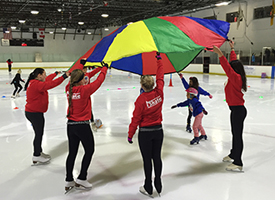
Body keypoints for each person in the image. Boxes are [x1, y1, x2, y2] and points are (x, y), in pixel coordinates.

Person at [64, 62, 107, 192]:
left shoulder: (68, 88)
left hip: (70, 126)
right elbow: (99, 81)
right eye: (84, 78)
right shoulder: (84, 89)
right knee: (89, 150)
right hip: (82, 126)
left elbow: (80, 78)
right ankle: (82, 177)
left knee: (72, 153)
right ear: (81, 80)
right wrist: (104, 68)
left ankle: (68, 179)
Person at [128, 52, 164, 198]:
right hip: (158, 131)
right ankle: (159, 182)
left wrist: (130, 135)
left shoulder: (141, 100)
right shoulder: (159, 92)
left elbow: (135, 119)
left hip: (146, 133)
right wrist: (159, 61)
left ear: (142, 85)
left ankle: (148, 185)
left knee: (147, 159)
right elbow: (160, 76)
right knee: (157, 157)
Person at [211, 40, 247, 172]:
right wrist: (232, 50)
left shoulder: (235, 78)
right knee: (234, 134)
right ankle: (233, 154)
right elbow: (232, 64)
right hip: (236, 110)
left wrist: (220, 54)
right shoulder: (237, 75)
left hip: (238, 111)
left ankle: (238, 162)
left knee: (237, 136)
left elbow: (227, 67)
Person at [24, 68, 69, 164]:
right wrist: (63, 77)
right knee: (38, 134)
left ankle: (39, 152)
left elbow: (48, 80)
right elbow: (50, 84)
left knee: (39, 133)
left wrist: (55, 74)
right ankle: (36, 155)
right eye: (44, 74)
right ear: (39, 75)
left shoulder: (35, 82)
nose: (45, 76)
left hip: (34, 112)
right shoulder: (37, 84)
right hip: (34, 113)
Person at [81, 62, 101, 131]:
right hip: (80, 95)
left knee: (89, 109)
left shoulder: (88, 75)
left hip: (87, 95)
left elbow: (95, 71)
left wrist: (101, 67)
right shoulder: (78, 76)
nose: (85, 71)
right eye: (83, 69)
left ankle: (92, 123)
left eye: (85, 69)